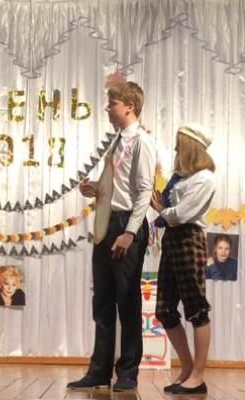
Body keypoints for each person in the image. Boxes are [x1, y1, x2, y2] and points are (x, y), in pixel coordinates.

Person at [68, 80, 156, 392]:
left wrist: (130, 232)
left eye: (112, 103)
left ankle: (128, 371)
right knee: (102, 300)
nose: (107, 108)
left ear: (129, 106)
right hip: (107, 223)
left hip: (125, 224)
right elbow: (119, 186)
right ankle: (99, 370)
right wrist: (97, 189)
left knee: (127, 300)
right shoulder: (117, 141)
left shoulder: (142, 142)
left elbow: (144, 191)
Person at [150, 123, 216, 395]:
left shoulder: (205, 178)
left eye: (179, 146)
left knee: (196, 308)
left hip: (189, 238)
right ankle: (187, 367)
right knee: (164, 310)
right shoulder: (180, 177)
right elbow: (172, 212)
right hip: (173, 239)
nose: (176, 150)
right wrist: (163, 208)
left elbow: (181, 214)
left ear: (190, 147)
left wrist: (161, 209)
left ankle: (198, 376)